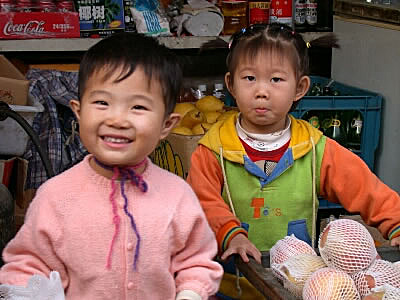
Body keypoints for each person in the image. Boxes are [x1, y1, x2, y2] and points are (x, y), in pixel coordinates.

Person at [0, 32, 223, 300]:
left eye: (138, 107)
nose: (117, 119)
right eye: (102, 103)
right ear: (78, 112)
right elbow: (27, 266)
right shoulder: (55, 197)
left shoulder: (177, 195)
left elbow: (196, 262)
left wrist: (191, 293)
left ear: (167, 125)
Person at [187, 23, 400, 299]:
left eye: (276, 80)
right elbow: (201, 202)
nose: (261, 91)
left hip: (297, 283)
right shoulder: (213, 149)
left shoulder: (313, 147)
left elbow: (365, 188)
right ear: (231, 85)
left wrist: (395, 222)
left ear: (300, 88)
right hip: (231, 281)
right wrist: (231, 233)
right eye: (249, 78)